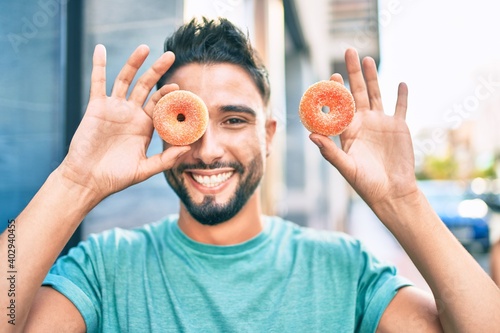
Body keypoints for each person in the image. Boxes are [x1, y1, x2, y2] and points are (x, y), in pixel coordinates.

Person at [1, 17, 499, 332]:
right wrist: (75, 182)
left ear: (269, 133)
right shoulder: (103, 271)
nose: (209, 149)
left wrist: (402, 200)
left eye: (234, 119)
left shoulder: (343, 270)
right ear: (162, 127)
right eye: (188, 121)